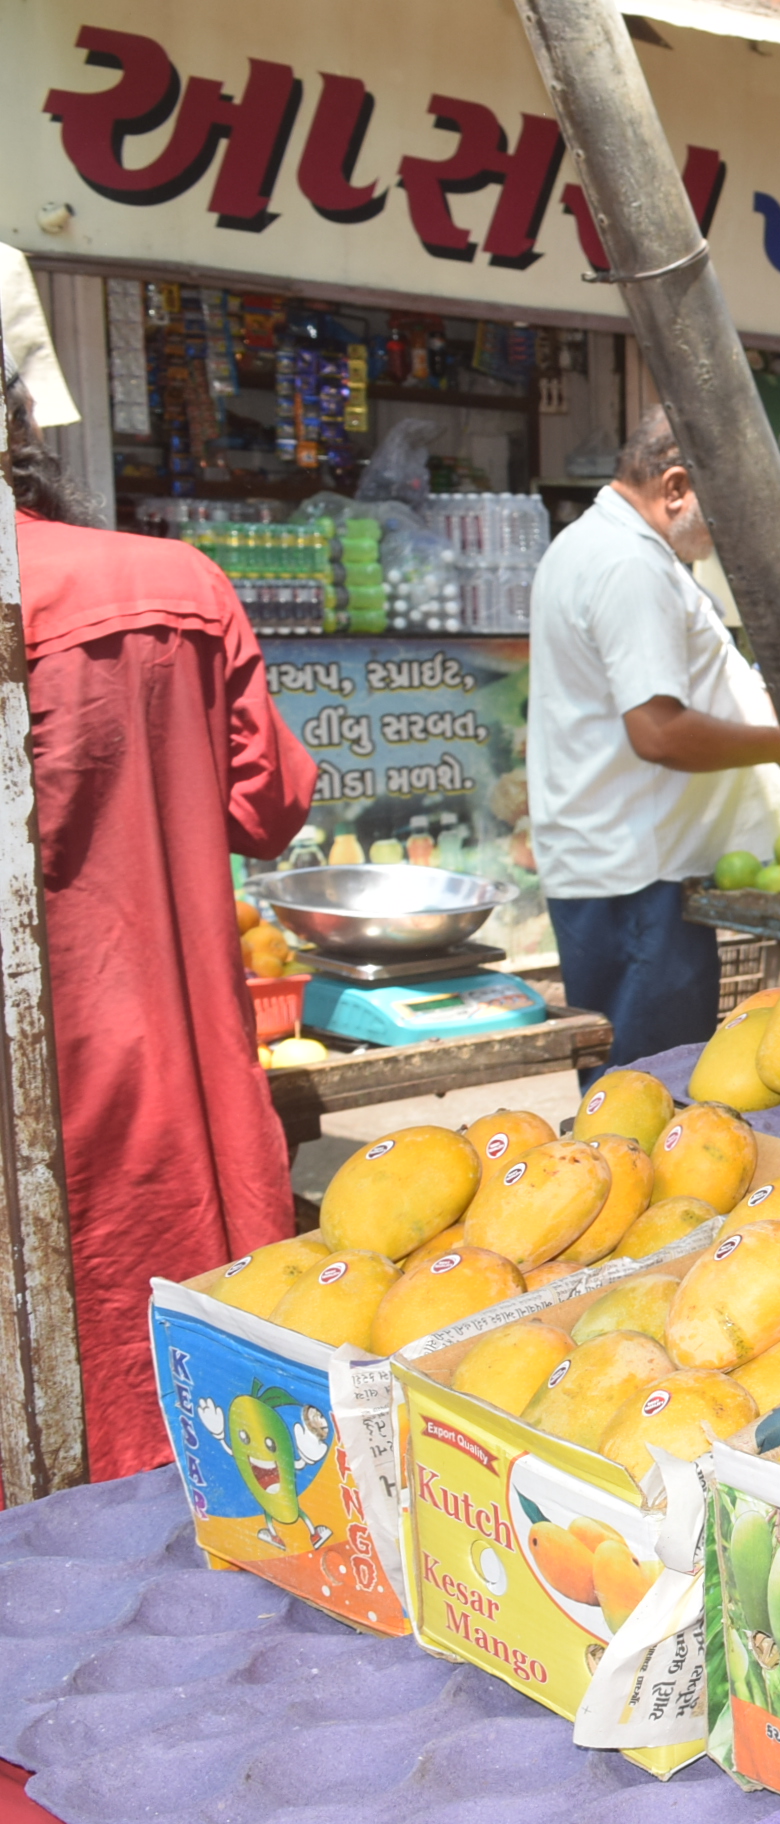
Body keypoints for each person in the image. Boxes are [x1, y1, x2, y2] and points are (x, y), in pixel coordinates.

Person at [6, 381, 318, 1484]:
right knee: (221, 1464)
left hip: (57, 1134)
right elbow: (269, 805)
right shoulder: (172, 588)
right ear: (25, 432)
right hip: (172, 1121)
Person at [528, 405, 780, 1066]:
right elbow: (659, 734)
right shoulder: (629, 567)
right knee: (649, 1092)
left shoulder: (600, 546)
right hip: (636, 880)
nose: (727, 527)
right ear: (674, 487)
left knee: (638, 1088)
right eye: (720, 503)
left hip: (632, 869)